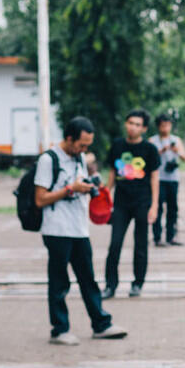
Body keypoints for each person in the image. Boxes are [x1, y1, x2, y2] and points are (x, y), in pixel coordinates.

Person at [34, 117, 127, 345]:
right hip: (56, 230)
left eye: (87, 145)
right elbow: (40, 199)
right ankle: (59, 329)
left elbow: (79, 184)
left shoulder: (80, 158)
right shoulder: (49, 160)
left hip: (78, 228)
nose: (84, 150)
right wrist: (70, 189)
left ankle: (101, 324)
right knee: (59, 281)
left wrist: (88, 188)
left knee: (88, 279)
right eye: (81, 145)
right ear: (69, 138)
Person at [101, 109, 159, 298]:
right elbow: (111, 174)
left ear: (143, 128)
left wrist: (155, 206)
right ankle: (110, 285)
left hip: (142, 202)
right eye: (130, 123)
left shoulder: (149, 149)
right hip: (121, 203)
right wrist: (105, 197)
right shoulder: (117, 145)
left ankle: (137, 283)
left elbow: (154, 178)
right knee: (115, 244)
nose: (132, 127)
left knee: (140, 245)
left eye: (137, 124)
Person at [152, 112, 185, 246]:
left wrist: (176, 150)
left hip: (173, 179)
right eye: (162, 125)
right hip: (159, 179)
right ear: (158, 126)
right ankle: (157, 237)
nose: (165, 128)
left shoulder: (176, 140)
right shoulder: (153, 140)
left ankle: (171, 237)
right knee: (158, 207)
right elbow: (149, 159)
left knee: (173, 208)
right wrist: (162, 150)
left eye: (168, 125)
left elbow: (184, 158)